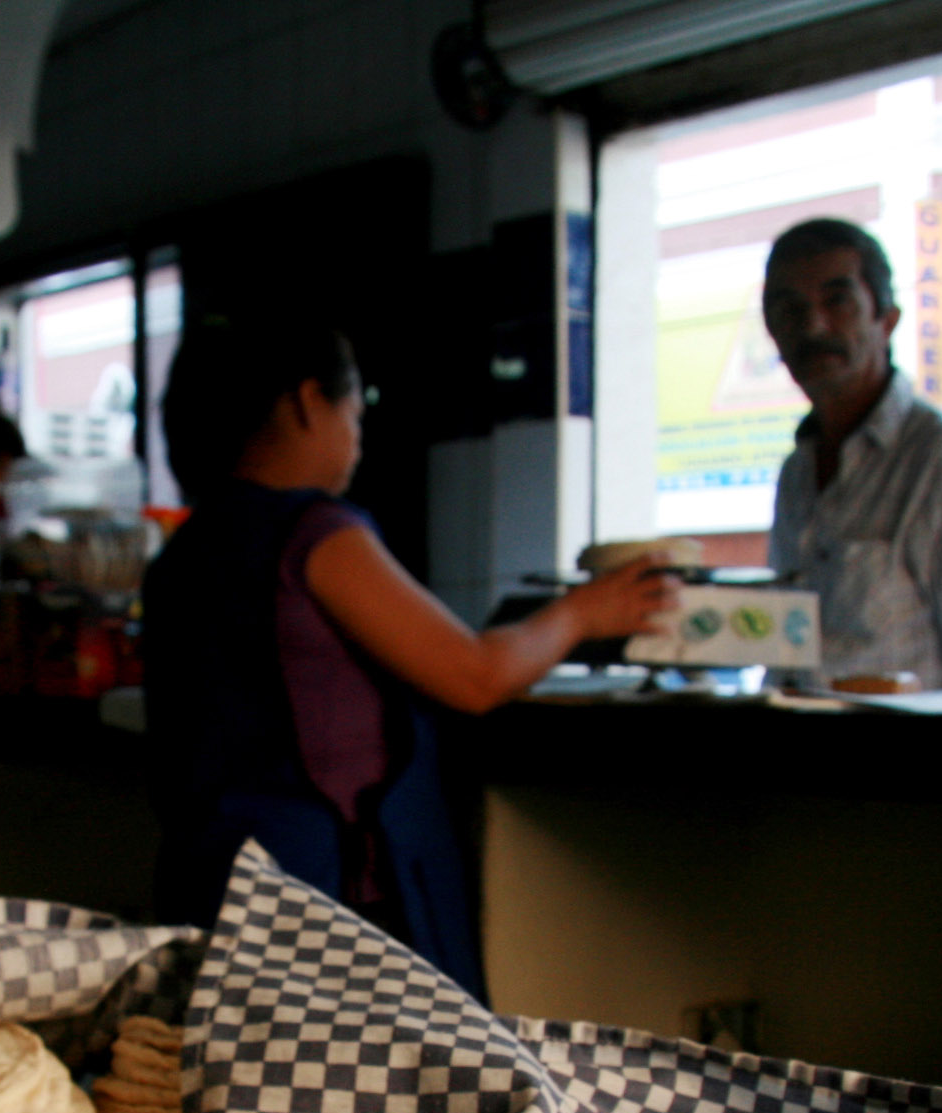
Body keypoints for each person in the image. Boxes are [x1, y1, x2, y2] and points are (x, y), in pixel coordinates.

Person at [142, 314, 674, 995]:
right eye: (355, 412)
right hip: (325, 909)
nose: (358, 439)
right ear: (309, 402)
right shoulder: (314, 533)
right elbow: (476, 674)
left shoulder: (184, 553)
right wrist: (585, 611)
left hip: (213, 892)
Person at [762, 218, 942, 689]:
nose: (813, 326)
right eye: (789, 308)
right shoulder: (797, 471)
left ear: (887, 319)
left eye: (837, 301)